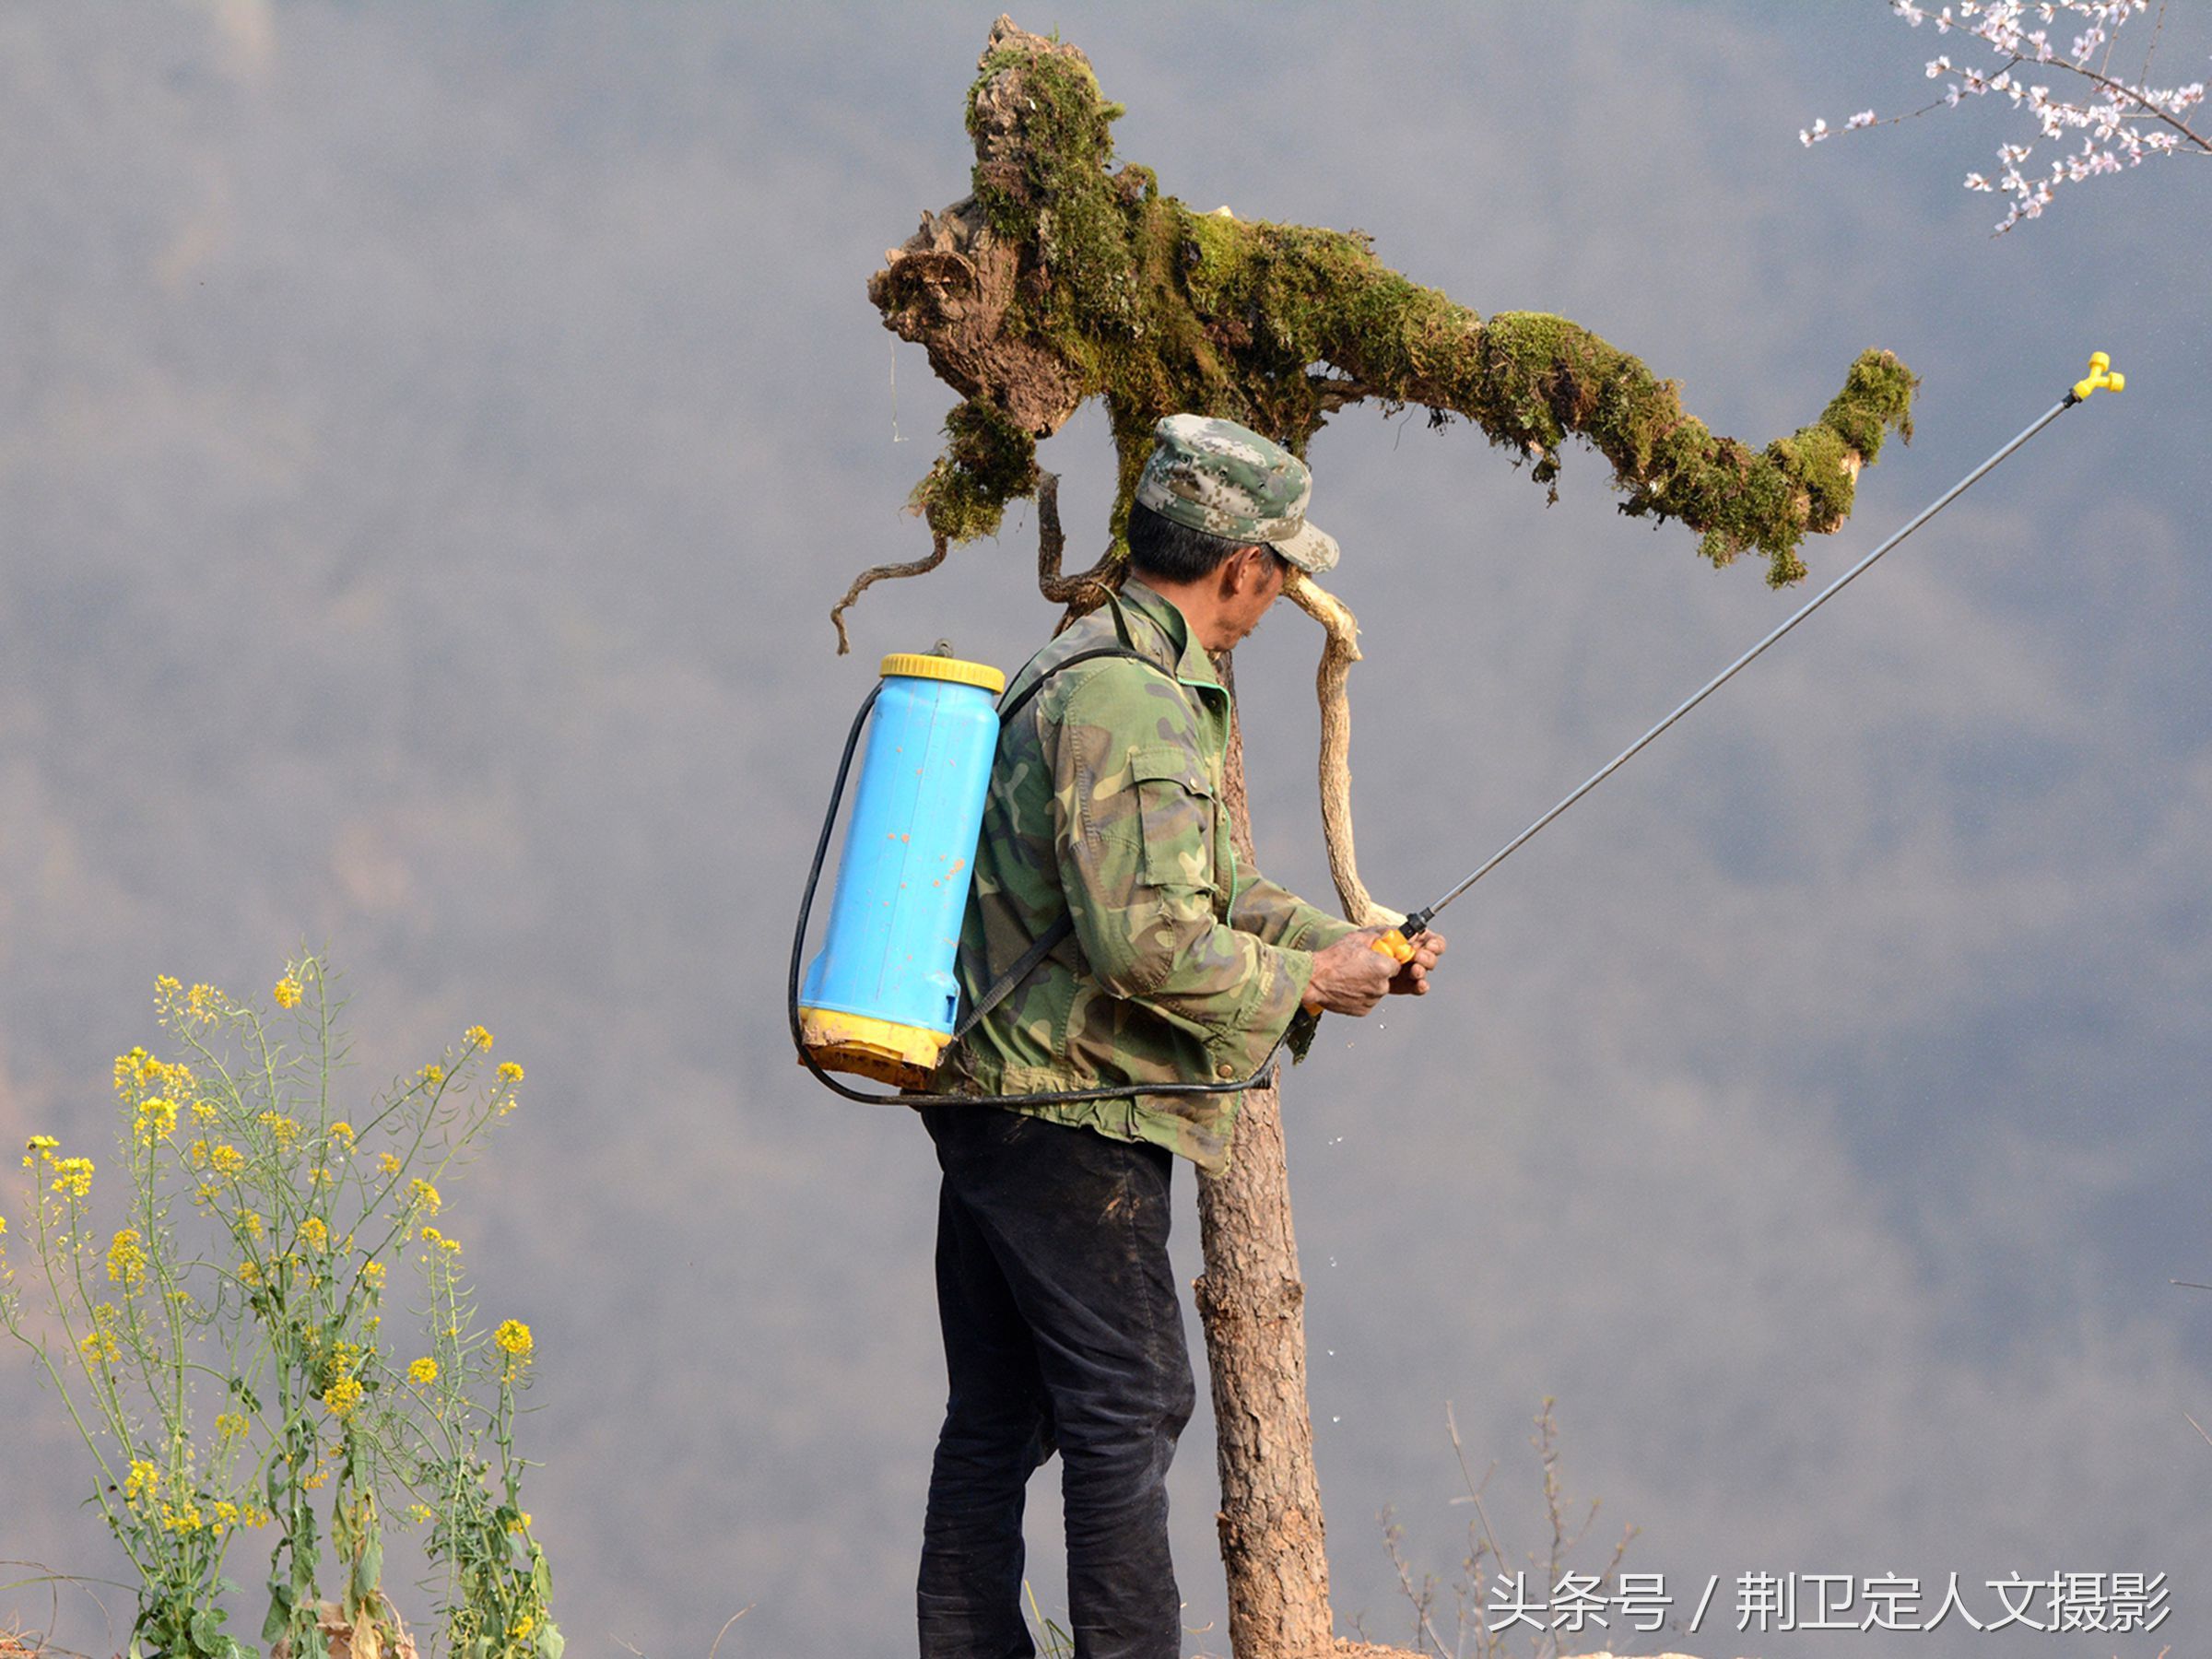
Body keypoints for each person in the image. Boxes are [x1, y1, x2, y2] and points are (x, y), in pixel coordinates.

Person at [917, 414, 1447, 1659]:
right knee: (1126, 1405)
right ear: (1238, 568)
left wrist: (1343, 948)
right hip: (1067, 1111)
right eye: (1276, 576)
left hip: (1001, 1099)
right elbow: (1143, 941)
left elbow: (1207, 890)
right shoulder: (1136, 702)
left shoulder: (1087, 666)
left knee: (999, 1413)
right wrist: (1306, 986)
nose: (1272, 605)